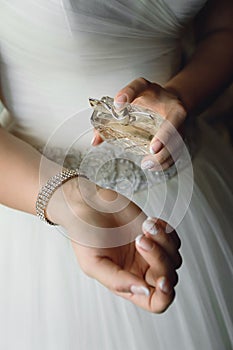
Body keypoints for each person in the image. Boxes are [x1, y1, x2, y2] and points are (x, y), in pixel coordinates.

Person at [0, 0, 232, 349]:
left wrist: (181, 94)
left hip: (191, 185)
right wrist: (68, 199)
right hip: (31, 190)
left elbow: (223, 28)